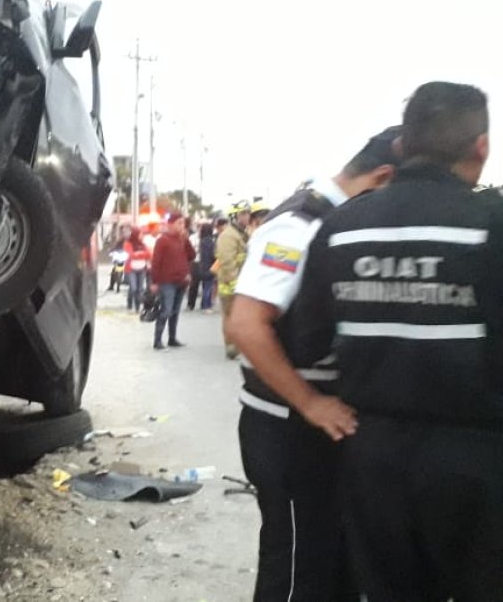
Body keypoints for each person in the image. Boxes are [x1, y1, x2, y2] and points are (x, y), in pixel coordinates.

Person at [290, 82, 503, 601]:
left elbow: (307, 343)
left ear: (403, 147)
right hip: (477, 458)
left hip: (373, 455)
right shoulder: (491, 221)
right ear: (482, 147)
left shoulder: (341, 227)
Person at [226, 126, 401, 601]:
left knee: (328, 562)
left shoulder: (338, 224)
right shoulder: (299, 226)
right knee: (299, 569)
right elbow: (245, 325)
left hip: (309, 428)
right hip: (287, 427)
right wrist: (311, 404)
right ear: (383, 178)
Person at [150, 213, 195, 349]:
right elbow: (156, 262)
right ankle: (157, 340)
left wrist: (187, 240)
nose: (182, 226)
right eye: (179, 223)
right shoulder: (162, 240)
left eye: (183, 223)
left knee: (175, 311)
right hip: (166, 281)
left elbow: (192, 255)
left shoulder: (182, 240)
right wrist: (154, 282)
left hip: (181, 281)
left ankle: (172, 338)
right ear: (170, 224)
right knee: (166, 310)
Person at [216, 201, 252, 358]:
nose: (247, 217)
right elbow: (227, 261)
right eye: (243, 214)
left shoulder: (242, 234)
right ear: (234, 217)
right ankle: (231, 347)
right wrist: (235, 283)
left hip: (241, 283)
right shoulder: (228, 236)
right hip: (230, 285)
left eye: (248, 213)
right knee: (230, 317)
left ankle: (238, 345)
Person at [188, 223, 218, 312]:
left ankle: (191, 303)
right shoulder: (210, 241)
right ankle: (205, 305)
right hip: (207, 265)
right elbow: (213, 255)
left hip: (196, 264)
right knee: (207, 286)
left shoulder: (198, 240)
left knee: (194, 285)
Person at [123, 227, 151, 312]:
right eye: (140, 234)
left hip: (141, 269)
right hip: (131, 269)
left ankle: (137, 307)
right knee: (133, 287)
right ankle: (130, 302)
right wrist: (140, 254)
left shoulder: (143, 244)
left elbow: (148, 254)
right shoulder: (128, 244)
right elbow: (130, 255)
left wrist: (138, 254)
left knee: (140, 288)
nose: (142, 236)